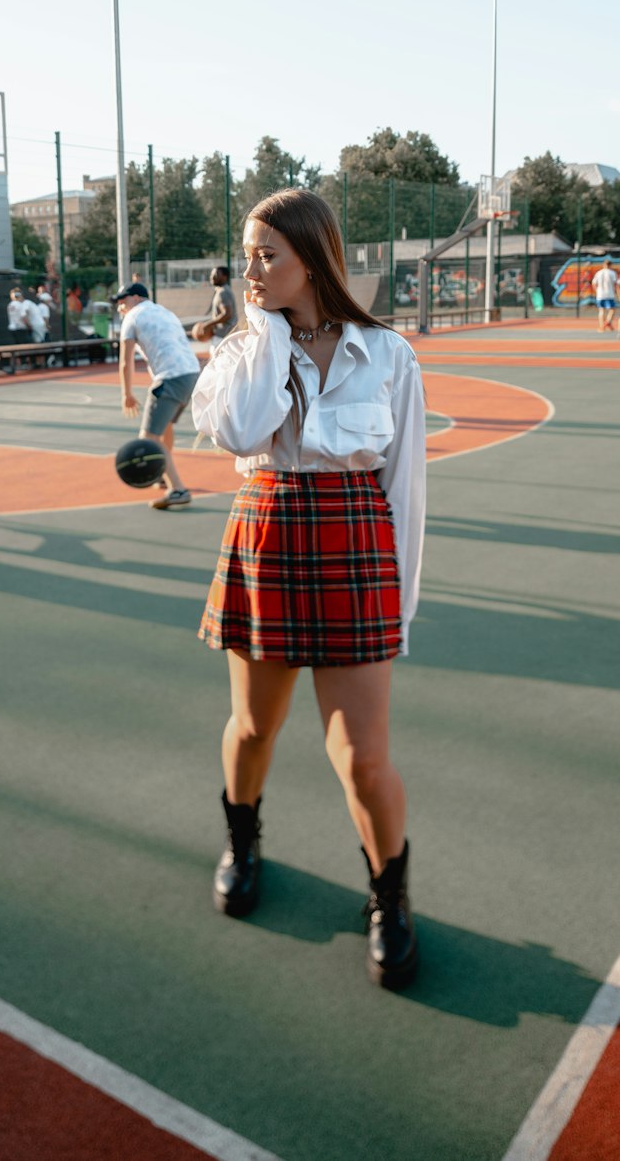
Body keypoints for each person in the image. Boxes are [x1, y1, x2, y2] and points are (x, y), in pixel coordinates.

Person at [191, 189, 426, 991]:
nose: (250, 270)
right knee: (255, 727)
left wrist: (401, 601)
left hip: (355, 549)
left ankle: (389, 897)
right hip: (266, 534)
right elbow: (238, 431)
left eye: (268, 256)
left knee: (361, 758)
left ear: (313, 258)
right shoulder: (235, 354)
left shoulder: (389, 355)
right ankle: (243, 840)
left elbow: (405, 490)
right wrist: (262, 331)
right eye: (248, 253)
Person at [114, 281, 200, 510]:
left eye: (123, 301)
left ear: (136, 298)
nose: (120, 306)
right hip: (191, 373)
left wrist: (127, 394)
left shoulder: (131, 318)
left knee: (149, 439)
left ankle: (178, 489)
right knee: (165, 427)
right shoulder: (165, 312)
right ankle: (162, 471)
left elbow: (125, 362)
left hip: (170, 377)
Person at [192, 266, 237, 356]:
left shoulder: (223, 292)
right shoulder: (221, 290)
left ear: (225, 277)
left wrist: (207, 325)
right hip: (225, 336)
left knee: (217, 366)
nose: (212, 277)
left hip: (223, 336)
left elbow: (227, 314)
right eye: (211, 274)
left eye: (216, 274)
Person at [591, 259, 618, 332]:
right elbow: (615, 284)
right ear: (610, 265)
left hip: (600, 294)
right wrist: (616, 291)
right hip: (609, 294)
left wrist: (597, 291)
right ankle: (608, 322)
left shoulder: (598, 273)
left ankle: (602, 326)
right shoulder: (612, 273)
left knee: (601, 310)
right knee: (612, 309)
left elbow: (594, 283)